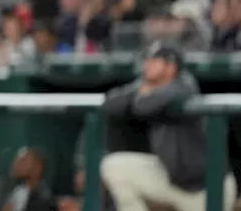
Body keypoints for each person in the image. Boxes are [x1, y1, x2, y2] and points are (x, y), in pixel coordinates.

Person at [100, 42, 238, 211]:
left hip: (208, 188)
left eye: (153, 61)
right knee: (114, 165)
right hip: (172, 180)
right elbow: (111, 102)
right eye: (146, 60)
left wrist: (143, 94)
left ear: (170, 66)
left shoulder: (184, 85)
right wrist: (141, 92)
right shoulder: (145, 85)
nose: (147, 65)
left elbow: (145, 105)